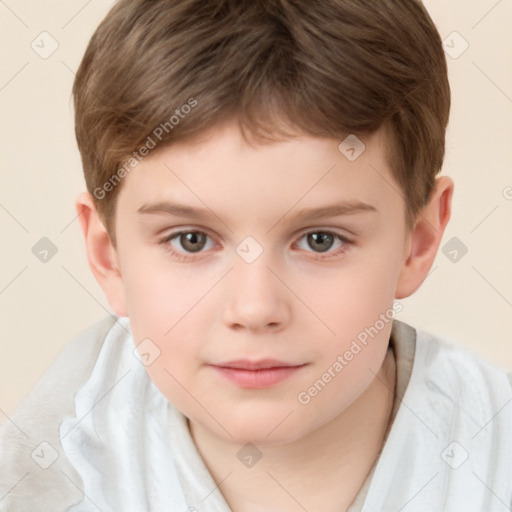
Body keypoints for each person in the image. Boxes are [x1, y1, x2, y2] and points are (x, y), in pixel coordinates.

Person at [1, 0, 511, 511]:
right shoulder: (44, 474)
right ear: (108, 255)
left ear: (417, 241)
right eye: (191, 240)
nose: (254, 309)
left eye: (320, 240)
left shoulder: (492, 457)